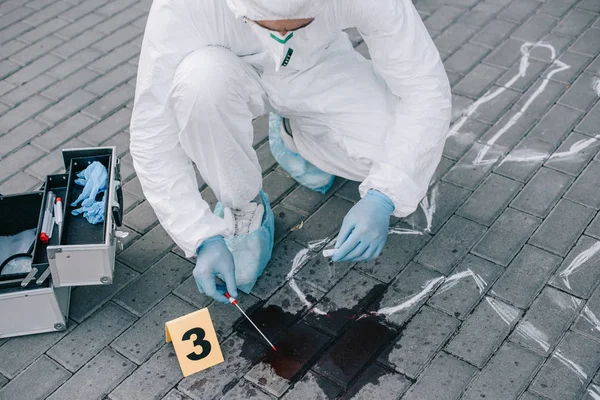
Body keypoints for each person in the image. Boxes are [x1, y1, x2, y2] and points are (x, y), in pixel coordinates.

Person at [130, 0, 451, 304]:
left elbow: (424, 90)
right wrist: (199, 234)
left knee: (390, 148)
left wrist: (386, 193)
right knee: (199, 83)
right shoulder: (184, 7)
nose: (281, 38)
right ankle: (242, 205)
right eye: (267, 25)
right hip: (226, 71)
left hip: (317, 67)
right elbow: (152, 133)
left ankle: (294, 132)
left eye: (298, 25)